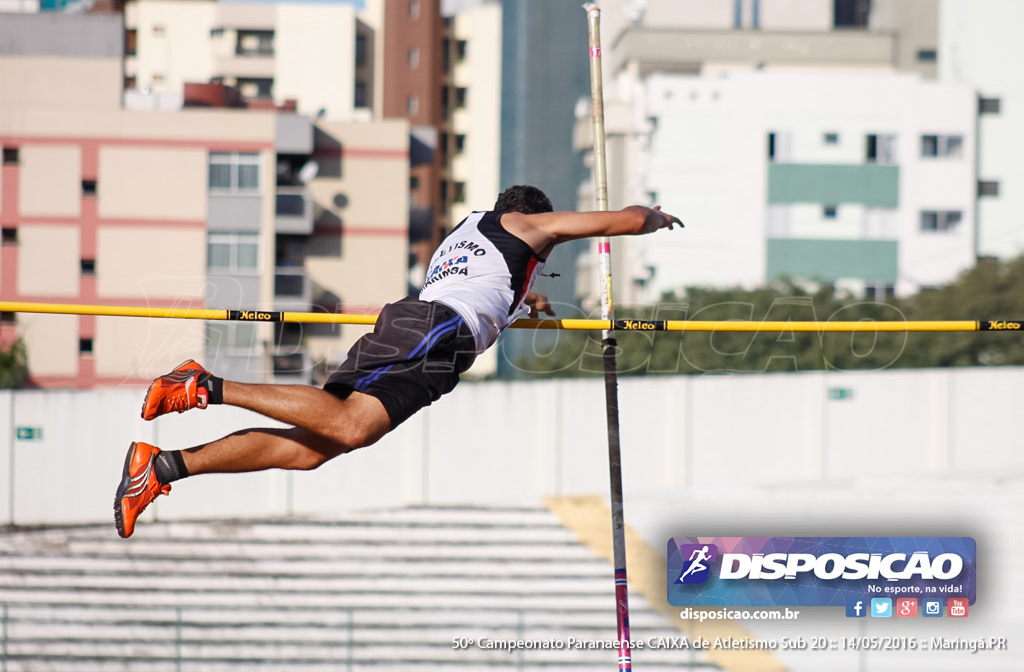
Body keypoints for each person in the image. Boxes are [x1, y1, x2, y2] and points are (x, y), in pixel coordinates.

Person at [114, 185, 682, 538]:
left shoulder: (472, 238)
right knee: (352, 427)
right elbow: (623, 222)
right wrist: (651, 216)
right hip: (435, 334)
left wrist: (529, 297)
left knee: (315, 447)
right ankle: (204, 385)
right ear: (531, 220)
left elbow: (489, 286)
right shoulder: (524, 224)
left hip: (420, 329)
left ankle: (162, 467)